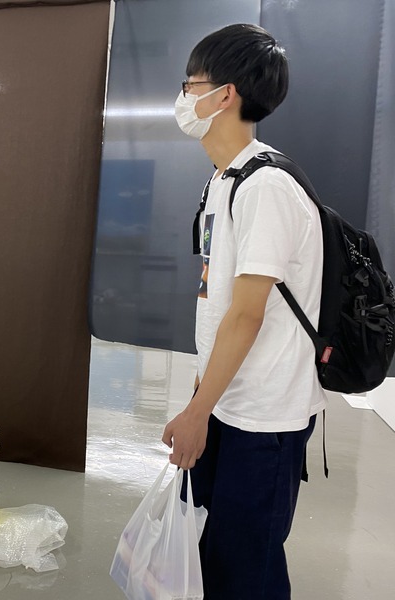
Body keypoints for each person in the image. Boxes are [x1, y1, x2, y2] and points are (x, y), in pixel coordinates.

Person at [161, 24, 327, 599]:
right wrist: (202, 396)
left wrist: (197, 412)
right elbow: (221, 303)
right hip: (229, 400)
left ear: (223, 95)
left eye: (190, 84)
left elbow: (248, 315)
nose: (183, 97)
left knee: (245, 567)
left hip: (265, 417)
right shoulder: (223, 179)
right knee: (216, 556)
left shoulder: (266, 186)